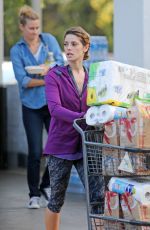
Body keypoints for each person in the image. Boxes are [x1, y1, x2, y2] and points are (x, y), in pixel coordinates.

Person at [44, 26, 104, 230]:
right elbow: (54, 109)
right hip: (60, 145)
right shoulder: (55, 75)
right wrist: (83, 117)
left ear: (85, 47)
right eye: (66, 44)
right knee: (56, 199)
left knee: (97, 197)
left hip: (86, 143)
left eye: (74, 44)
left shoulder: (95, 78)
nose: (68, 48)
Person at [10, 5, 64, 209]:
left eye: (37, 27)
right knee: (35, 152)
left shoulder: (48, 40)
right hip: (30, 106)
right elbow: (23, 80)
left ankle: (46, 185)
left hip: (52, 103)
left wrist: (46, 74)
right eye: (31, 28)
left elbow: (60, 65)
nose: (35, 32)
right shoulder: (17, 50)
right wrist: (48, 77)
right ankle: (33, 195)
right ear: (22, 27)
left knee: (57, 148)